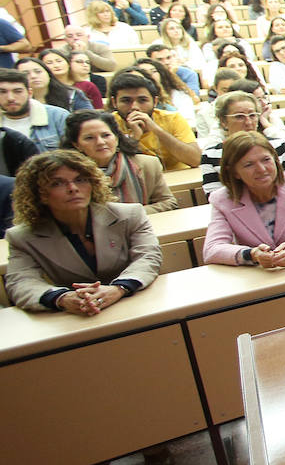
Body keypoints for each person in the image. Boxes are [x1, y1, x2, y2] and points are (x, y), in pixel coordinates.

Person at [4, 149, 161, 314]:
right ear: (39, 195)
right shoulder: (22, 237)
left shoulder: (129, 215)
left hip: (137, 302)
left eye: (80, 180)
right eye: (57, 183)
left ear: (92, 184)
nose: (72, 188)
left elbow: (148, 256)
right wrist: (62, 298)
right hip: (78, 314)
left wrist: (119, 288)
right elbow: (21, 282)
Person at [203, 131, 285, 267]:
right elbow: (212, 249)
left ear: (275, 160)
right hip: (258, 276)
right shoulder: (222, 200)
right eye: (249, 164)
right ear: (234, 172)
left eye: (266, 160)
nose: (261, 169)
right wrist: (252, 254)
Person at [62, 110, 176, 214]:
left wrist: (131, 215)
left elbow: (169, 203)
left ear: (116, 138)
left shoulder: (148, 164)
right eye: (89, 138)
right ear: (77, 145)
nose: (100, 142)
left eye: (106, 135)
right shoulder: (69, 175)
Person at [200, 92, 285, 194]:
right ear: (223, 121)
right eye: (239, 117)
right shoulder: (210, 155)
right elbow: (214, 196)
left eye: (252, 115)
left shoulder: (279, 145)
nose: (248, 122)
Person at [108, 70, 199, 171]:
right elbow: (113, 169)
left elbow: (195, 160)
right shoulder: (107, 124)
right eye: (126, 101)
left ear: (155, 102)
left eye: (142, 100)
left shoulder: (173, 119)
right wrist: (134, 138)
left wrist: (156, 130)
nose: (135, 107)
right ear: (114, 102)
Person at [1, 67, 70, 151]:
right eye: (2, 92)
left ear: (29, 93)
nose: (10, 98)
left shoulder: (58, 116)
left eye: (17, 91)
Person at [18, 56, 92, 112]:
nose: (33, 76)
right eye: (25, 74)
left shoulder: (72, 94)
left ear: (48, 74)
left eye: (38, 71)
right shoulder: (16, 100)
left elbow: (90, 120)